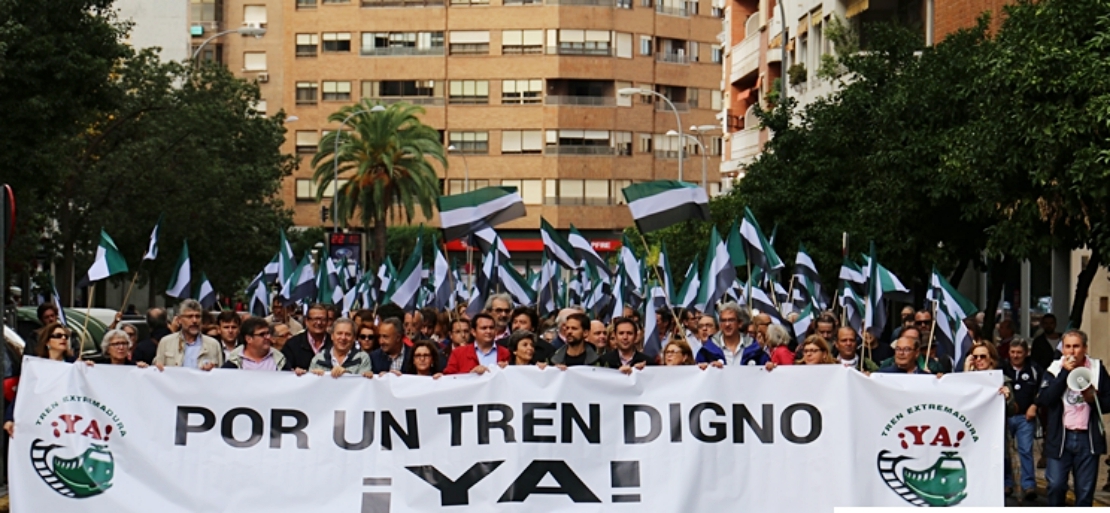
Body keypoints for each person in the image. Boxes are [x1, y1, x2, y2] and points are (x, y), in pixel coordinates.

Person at [1037, 330, 1110, 507]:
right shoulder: (1054, 369)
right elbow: (1044, 399)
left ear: (1085, 348)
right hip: (1061, 438)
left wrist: (1094, 400)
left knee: (1085, 492)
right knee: (1055, 485)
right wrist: (1063, 374)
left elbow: (1108, 403)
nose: (1071, 351)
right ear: (1062, 350)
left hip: (1088, 438)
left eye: (1076, 346)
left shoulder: (1097, 368)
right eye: (1067, 346)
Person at [1002, 339, 1041, 501]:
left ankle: (1028, 485)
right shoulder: (1001, 368)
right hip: (1004, 417)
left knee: (1025, 450)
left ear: (1026, 353)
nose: (1015, 356)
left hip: (1025, 417)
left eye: (1019, 352)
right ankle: (1006, 483)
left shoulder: (1034, 369)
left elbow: (1042, 389)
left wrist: (1035, 406)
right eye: (1013, 352)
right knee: (1005, 452)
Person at [153, 300, 222, 371]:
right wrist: (143, 369)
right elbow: (156, 371)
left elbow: (220, 376)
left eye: (198, 316)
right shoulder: (166, 342)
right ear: (179, 320)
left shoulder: (213, 345)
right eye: (189, 316)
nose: (194, 320)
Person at [444, 313, 509, 374]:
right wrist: (471, 375)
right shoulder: (458, 353)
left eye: (491, 328)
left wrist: (507, 370)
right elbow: (449, 378)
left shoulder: (505, 352)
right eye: (484, 328)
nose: (488, 331)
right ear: (473, 332)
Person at [223, 317, 291, 371]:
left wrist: (296, 375)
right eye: (262, 334)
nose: (267, 337)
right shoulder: (233, 363)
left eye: (268, 333)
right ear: (248, 339)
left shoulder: (281, 361)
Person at [281, 304, 332, 376]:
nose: (319, 322)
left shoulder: (335, 343)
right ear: (306, 321)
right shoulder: (292, 344)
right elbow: (284, 370)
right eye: (315, 319)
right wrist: (293, 371)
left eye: (322, 319)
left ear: (327, 322)